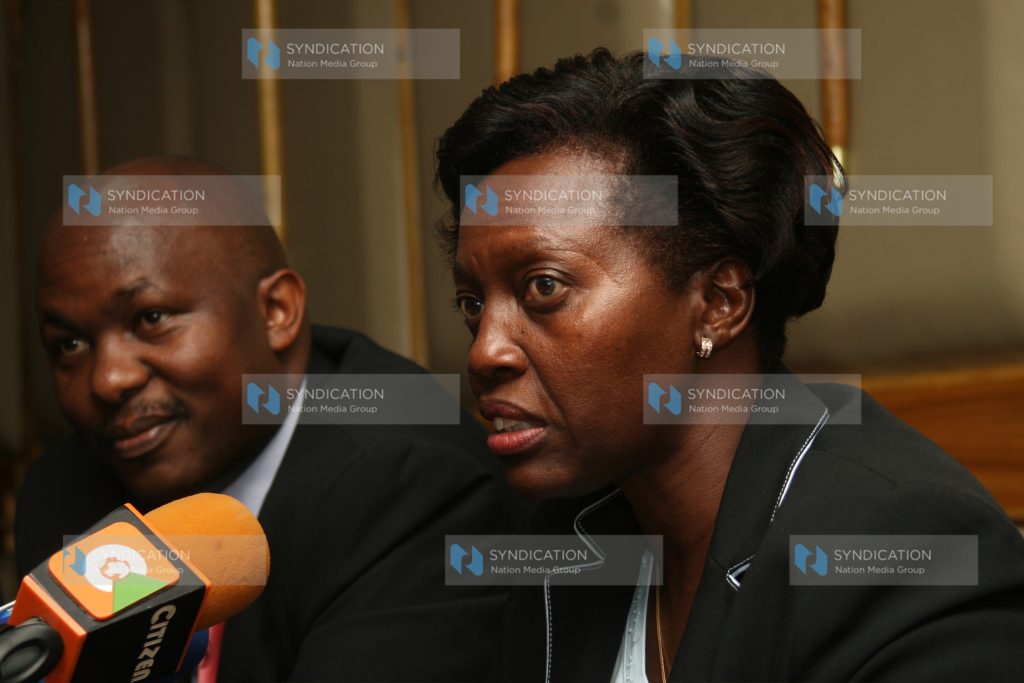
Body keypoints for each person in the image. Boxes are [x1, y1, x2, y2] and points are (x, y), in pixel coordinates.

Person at [435, 49, 1024, 682]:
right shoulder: (567, 539)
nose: (485, 350)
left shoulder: (896, 547)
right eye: (473, 303)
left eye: (543, 287)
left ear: (719, 304)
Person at [17, 157, 519, 682]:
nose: (107, 380)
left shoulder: (411, 485)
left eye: (151, 319)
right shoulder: (63, 490)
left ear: (276, 311)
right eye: (69, 344)